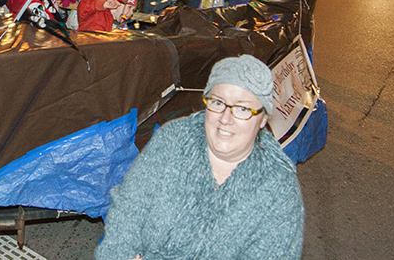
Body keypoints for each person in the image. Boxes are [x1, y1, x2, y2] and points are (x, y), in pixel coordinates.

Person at [95, 55, 304, 260]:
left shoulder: (278, 187)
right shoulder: (173, 141)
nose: (225, 118)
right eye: (218, 102)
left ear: (263, 119)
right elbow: (128, 209)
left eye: (242, 108)